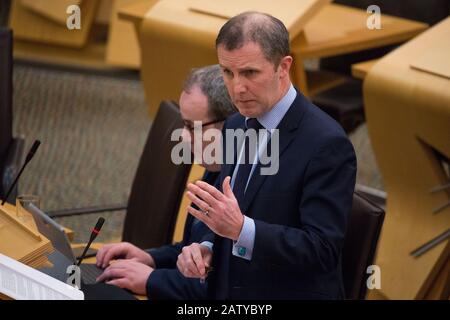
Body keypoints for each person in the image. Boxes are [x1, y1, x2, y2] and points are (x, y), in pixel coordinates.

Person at [177, 12, 357, 299]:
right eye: (228, 72)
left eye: (250, 73)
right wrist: (206, 248)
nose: (238, 88)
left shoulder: (327, 143)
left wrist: (241, 229)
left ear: (283, 67)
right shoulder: (236, 123)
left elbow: (322, 251)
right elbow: (231, 213)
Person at [94, 65, 236, 299]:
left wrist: (152, 279)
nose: (182, 136)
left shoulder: (247, 190)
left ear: (230, 125)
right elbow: (193, 248)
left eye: (192, 127)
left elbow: (223, 289)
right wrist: (151, 258)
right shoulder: (215, 168)